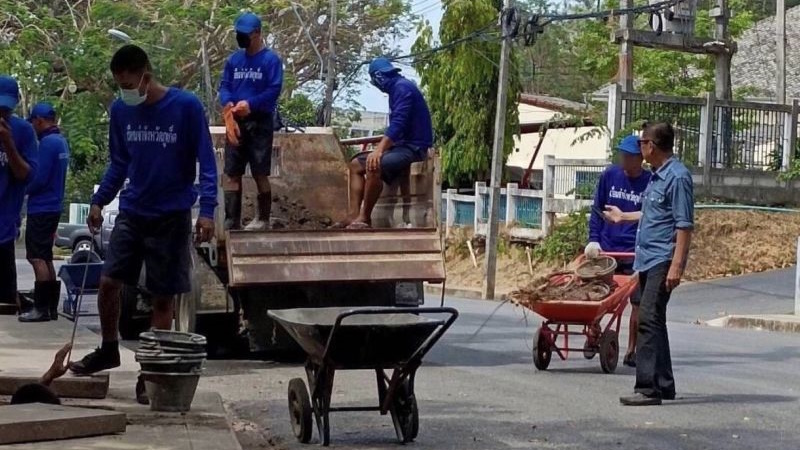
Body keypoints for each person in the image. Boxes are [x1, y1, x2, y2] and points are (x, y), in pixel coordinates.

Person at [69, 46, 217, 390]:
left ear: (146, 76)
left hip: (171, 213)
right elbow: (119, 162)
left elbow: (206, 162)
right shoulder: (121, 110)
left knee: (162, 295)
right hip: (133, 209)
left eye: (129, 84)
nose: (125, 92)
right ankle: (108, 348)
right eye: (119, 85)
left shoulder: (186, 107)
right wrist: (98, 200)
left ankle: (151, 369)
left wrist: (207, 211)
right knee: (108, 282)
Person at [604, 123, 694, 406]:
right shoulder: (657, 176)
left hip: (662, 259)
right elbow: (653, 213)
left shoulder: (677, 177)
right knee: (655, 320)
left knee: (646, 319)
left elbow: (684, 225)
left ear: (651, 146)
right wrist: (624, 216)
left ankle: (647, 389)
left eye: (642, 142)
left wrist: (677, 265)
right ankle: (664, 384)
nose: (639, 147)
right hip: (647, 258)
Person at [335, 58, 433, 229]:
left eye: (374, 81)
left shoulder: (402, 88)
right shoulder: (396, 89)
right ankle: (353, 215)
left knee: (374, 164)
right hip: (401, 146)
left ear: (378, 77)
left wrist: (379, 150)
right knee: (355, 165)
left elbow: (398, 124)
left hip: (413, 147)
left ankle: (365, 217)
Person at [585, 134, 651, 367]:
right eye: (621, 154)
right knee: (599, 296)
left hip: (634, 253)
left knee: (637, 304)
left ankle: (632, 351)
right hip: (607, 249)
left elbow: (652, 218)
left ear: (638, 159)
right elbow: (596, 210)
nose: (622, 159)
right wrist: (593, 240)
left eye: (627, 156)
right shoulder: (609, 176)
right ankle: (593, 334)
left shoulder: (650, 183)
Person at [218, 12, 283, 231]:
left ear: (257, 34)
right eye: (238, 34)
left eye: (245, 34)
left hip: (259, 121)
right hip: (235, 121)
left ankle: (263, 218)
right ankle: (231, 220)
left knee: (259, 172)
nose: (241, 38)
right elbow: (225, 86)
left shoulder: (270, 60)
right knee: (232, 172)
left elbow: (273, 90)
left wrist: (251, 104)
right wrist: (228, 104)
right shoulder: (234, 60)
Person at [19, 102, 70, 322]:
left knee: (36, 257)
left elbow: (39, 178)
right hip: (54, 205)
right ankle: (49, 307)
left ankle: (41, 308)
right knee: (46, 257)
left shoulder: (47, 144)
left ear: (39, 120)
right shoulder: (61, 142)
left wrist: (21, 188)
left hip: (42, 207)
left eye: (33, 122)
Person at [0, 75, 37, 312]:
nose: (2, 113)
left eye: (6, 109)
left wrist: (8, 143)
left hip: (3, 230)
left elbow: (27, 175)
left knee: (4, 306)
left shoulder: (23, 131)